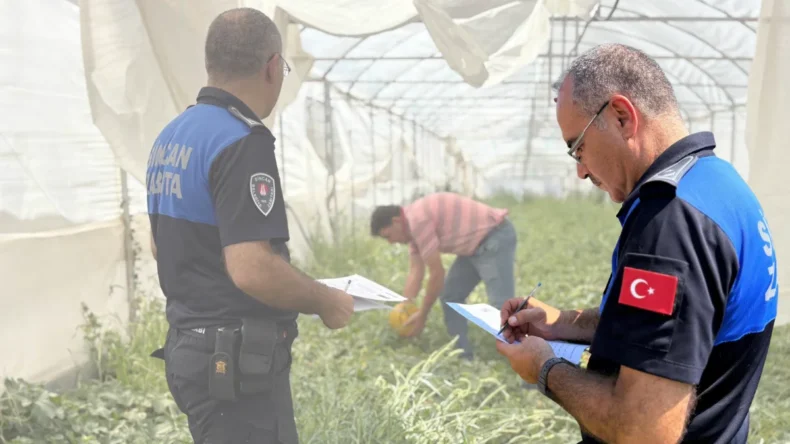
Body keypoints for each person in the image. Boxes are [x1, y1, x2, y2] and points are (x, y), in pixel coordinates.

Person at [495, 43, 778, 444]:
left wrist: (545, 369)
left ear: (622, 116)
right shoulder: (717, 184)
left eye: (578, 147)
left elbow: (645, 431)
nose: (580, 170)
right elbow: (680, 327)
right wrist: (562, 323)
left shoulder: (671, 223)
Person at [146, 8, 354, 444]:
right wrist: (325, 300)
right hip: (235, 365)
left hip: (190, 348)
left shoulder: (171, 137)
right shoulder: (242, 141)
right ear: (273, 67)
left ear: (211, 64)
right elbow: (251, 267)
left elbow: (160, 244)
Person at [370, 192, 517, 359]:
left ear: (396, 221)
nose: (391, 242)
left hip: (493, 237)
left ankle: (531, 366)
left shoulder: (417, 221)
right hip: (473, 248)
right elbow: (415, 273)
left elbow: (436, 274)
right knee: (450, 296)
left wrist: (423, 316)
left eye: (388, 236)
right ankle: (462, 355)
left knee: (501, 305)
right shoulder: (412, 231)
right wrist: (405, 308)